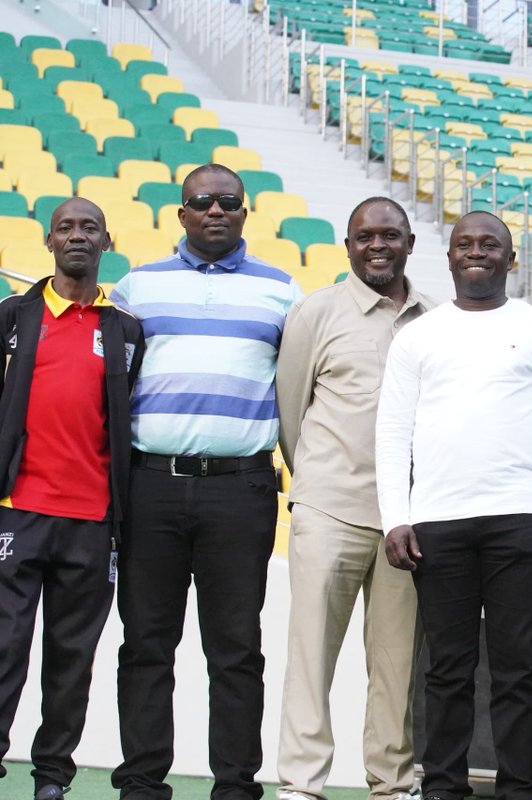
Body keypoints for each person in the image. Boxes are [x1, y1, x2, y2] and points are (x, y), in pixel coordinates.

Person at [375, 211, 532, 800]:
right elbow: (392, 431)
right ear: (447, 258)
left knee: (519, 670)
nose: (476, 252)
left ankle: (519, 789)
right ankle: (443, 787)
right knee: (446, 670)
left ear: (511, 259)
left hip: (521, 521)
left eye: (489, 244)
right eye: (464, 244)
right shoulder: (418, 334)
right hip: (436, 523)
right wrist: (395, 516)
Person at [110, 164, 303, 800]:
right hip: (150, 487)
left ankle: (236, 788)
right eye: (202, 201)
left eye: (228, 202)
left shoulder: (281, 291)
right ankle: (141, 783)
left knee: (237, 650)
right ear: (181, 213)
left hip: (240, 490)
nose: (215, 210)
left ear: (245, 212)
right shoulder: (138, 287)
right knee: (145, 645)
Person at [274, 197, 430, 800]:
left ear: (410, 243)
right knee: (311, 655)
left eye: (390, 235)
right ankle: (301, 783)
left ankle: (391, 785)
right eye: (364, 236)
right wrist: (315, 482)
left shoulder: (434, 321)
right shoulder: (315, 313)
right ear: (347, 245)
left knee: (395, 665)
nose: (377, 246)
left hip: (405, 524)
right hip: (328, 508)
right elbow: (292, 412)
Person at [0, 198, 143, 800]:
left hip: (92, 520)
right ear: (48, 241)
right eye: (66, 228)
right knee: (4, 646)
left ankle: (53, 775)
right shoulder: (12, 317)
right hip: (18, 511)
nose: (77, 236)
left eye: (89, 228)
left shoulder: (125, 329)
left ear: (107, 240)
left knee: (71, 658)